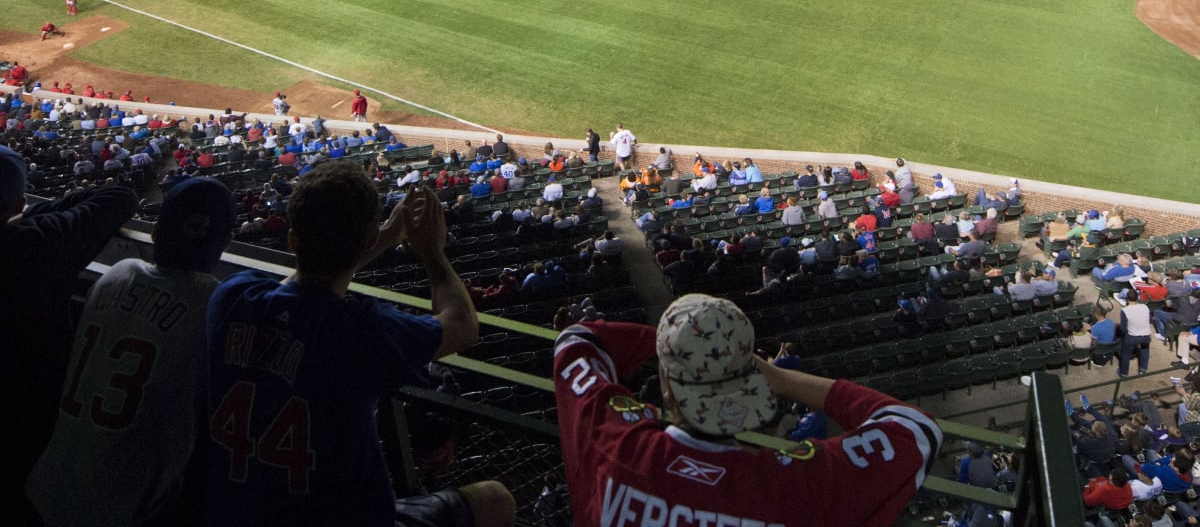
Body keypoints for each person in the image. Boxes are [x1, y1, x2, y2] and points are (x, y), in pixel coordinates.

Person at [205, 171, 514, 527]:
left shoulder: (232, 297)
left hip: (235, 513)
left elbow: (300, 286)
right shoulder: (362, 330)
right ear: (365, 238)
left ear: (292, 239)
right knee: (495, 500)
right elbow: (462, 325)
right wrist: (431, 252)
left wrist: (377, 241)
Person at [553, 292, 940, 527]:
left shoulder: (611, 442)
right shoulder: (793, 487)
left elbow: (578, 340)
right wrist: (782, 379)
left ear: (668, 387)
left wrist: (688, 350)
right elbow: (915, 427)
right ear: (752, 385)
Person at [26, 178, 237, 527]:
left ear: (154, 233)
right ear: (227, 242)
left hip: (42, 486)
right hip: (122, 508)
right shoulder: (213, 305)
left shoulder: (117, 274)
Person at [0, 144, 138, 516]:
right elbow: (119, 196)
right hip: (25, 436)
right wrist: (32, 213)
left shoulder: (34, 237)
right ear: (17, 206)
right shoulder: (35, 243)